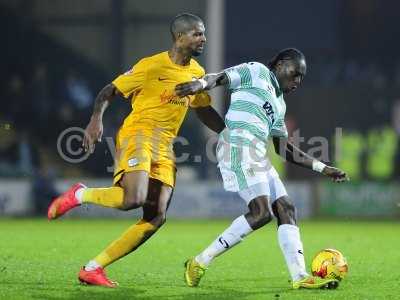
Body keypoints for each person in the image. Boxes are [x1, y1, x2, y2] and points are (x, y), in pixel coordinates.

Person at [47, 13, 225, 288]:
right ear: (179, 37)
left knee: (156, 217)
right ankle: (79, 194)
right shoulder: (151, 66)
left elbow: (202, 109)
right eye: (197, 34)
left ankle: (93, 268)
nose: (203, 39)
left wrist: (228, 132)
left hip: (165, 147)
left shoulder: (198, 74)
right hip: (138, 135)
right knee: (133, 198)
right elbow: (109, 90)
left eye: (203, 34)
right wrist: (96, 120)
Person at [175, 48, 349, 289]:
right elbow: (221, 77)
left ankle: (299, 276)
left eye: (301, 77)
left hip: (257, 154)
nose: (297, 81)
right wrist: (201, 83)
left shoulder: (280, 105)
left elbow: (283, 148)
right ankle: (199, 261)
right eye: (295, 73)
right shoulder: (256, 72)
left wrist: (323, 168)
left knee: (286, 207)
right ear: (280, 64)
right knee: (262, 212)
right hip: (237, 144)